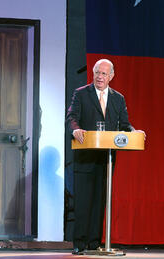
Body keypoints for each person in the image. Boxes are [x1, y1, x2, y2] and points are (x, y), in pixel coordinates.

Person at [66, 59, 143, 255]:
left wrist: (134, 132)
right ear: (93, 74)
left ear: (111, 77)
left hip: (106, 159)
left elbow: (124, 124)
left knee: (99, 202)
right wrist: (75, 130)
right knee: (83, 201)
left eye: (104, 74)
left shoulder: (118, 98)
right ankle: (79, 244)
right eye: (97, 73)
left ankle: (94, 243)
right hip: (85, 156)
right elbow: (72, 117)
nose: (100, 77)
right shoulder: (81, 93)